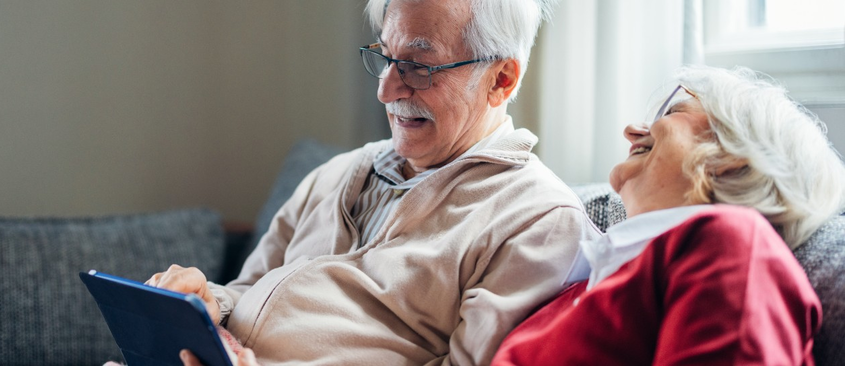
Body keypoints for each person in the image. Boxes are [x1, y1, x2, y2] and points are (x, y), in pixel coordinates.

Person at [149, 0, 601, 365]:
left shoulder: (537, 221)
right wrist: (207, 306)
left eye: (419, 66)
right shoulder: (337, 173)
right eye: (385, 56)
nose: (386, 90)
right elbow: (249, 290)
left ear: (500, 80)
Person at [492, 65, 845, 365]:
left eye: (672, 112)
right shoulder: (579, 280)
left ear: (735, 154)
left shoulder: (730, 245)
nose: (632, 130)